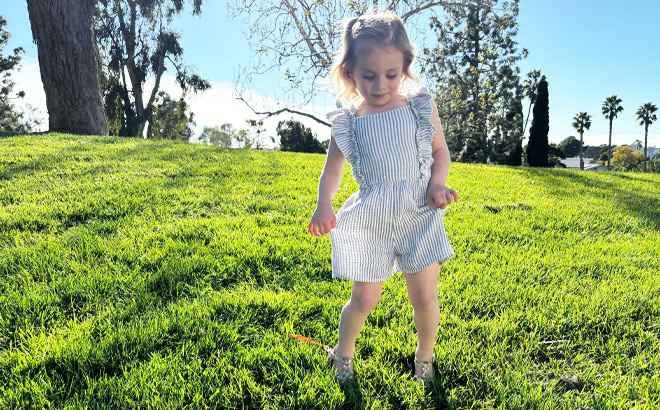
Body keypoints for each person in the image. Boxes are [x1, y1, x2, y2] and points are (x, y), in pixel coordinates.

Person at [308, 12, 457, 384]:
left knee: (424, 297)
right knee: (364, 299)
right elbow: (333, 170)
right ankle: (342, 354)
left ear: (404, 67)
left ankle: (424, 359)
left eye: (391, 74)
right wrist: (324, 203)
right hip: (371, 219)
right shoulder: (349, 121)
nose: (379, 85)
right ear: (350, 72)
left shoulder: (420, 107)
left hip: (418, 213)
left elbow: (441, 153)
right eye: (369, 75)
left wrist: (437, 185)